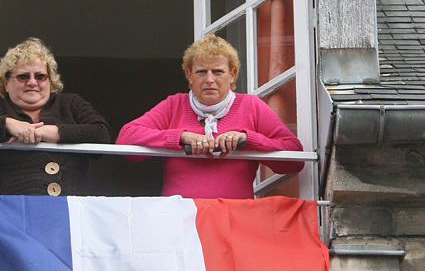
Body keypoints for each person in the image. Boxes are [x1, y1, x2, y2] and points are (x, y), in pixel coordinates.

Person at [116, 34, 303, 199]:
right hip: (179, 224)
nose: (209, 80)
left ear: (233, 74)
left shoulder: (250, 106)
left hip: (234, 223)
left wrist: (247, 139)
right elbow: (125, 138)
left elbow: (294, 158)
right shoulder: (174, 105)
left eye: (218, 71)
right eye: (201, 72)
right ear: (189, 75)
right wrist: (180, 137)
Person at [0, 37, 111, 196]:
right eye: (23, 77)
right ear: (6, 82)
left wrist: (49, 132)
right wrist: (6, 124)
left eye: (40, 76)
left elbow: (101, 134)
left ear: (50, 81)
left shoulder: (70, 104)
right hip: (8, 215)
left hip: (67, 215)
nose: (32, 82)